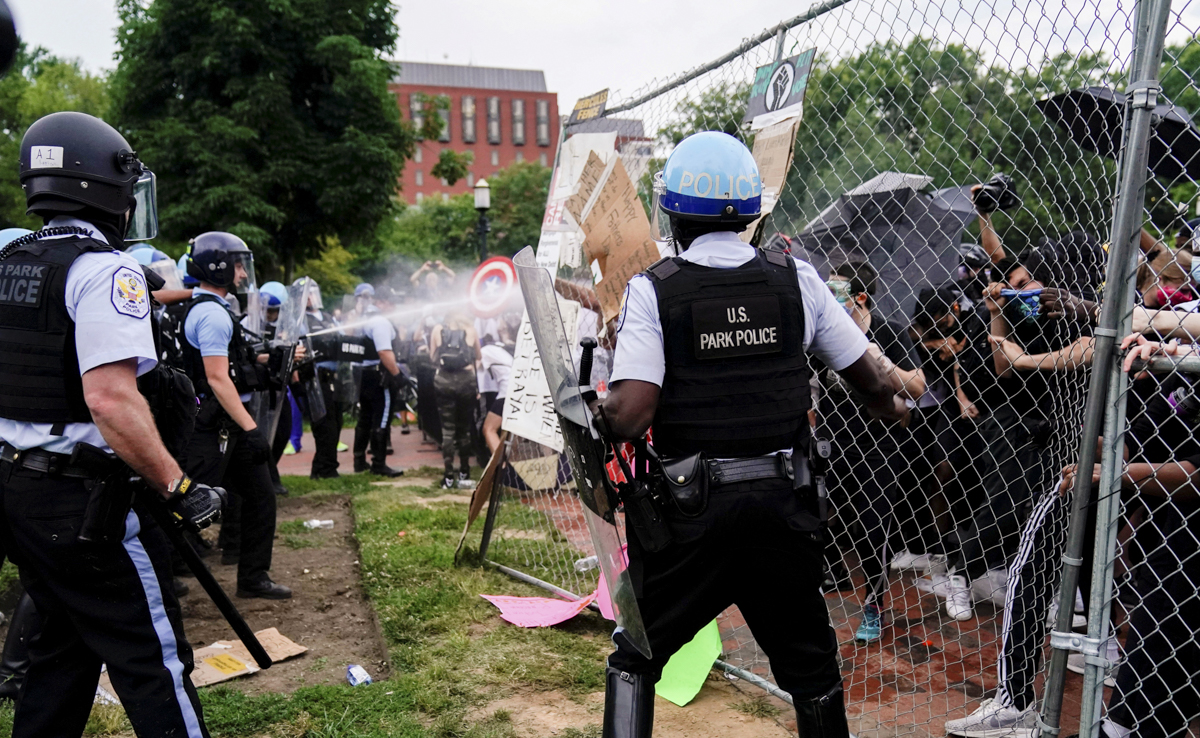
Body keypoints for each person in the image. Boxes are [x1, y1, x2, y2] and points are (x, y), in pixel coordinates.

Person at [593, 131, 906, 738]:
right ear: (750, 213)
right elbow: (870, 380)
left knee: (636, 657)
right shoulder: (800, 281)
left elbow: (631, 413)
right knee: (812, 670)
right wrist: (899, 403)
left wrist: (595, 414)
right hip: (783, 511)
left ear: (672, 212)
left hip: (690, 518)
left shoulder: (653, 290)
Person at [0, 110, 221, 736]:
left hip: (18, 492)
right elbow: (110, 400)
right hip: (86, 503)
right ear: (104, 186)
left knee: (61, 654)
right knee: (155, 661)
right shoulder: (105, 271)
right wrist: (179, 486)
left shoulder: (12, 259)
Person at [180, 231, 294, 599]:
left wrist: (267, 358)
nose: (244, 274)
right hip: (212, 425)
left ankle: (253, 578)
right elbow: (216, 378)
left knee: (260, 496)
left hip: (224, 423)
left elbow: (231, 364)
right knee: (182, 502)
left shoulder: (214, 309)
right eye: (239, 265)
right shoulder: (212, 314)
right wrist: (252, 429)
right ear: (219, 267)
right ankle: (159, 576)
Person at [820, 260, 925, 643]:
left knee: (871, 527)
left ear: (860, 297)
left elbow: (916, 387)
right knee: (814, 514)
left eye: (836, 291)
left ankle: (874, 603)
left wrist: (871, 352)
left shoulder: (889, 332)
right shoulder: (823, 333)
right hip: (834, 439)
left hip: (877, 443)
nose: (827, 297)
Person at [351, 284, 405, 477]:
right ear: (381, 302)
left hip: (363, 374)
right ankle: (379, 463)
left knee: (364, 417)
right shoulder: (380, 321)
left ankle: (359, 461)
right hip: (378, 375)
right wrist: (398, 375)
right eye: (390, 302)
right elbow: (384, 351)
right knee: (381, 418)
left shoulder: (363, 317)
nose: (393, 306)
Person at [296, 277, 344, 479]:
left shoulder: (328, 317)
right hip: (314, 377)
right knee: (324, 425)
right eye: (306, 294)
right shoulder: (300, 320)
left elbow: (342, 338)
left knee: (337, 422)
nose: (310, 298)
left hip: (335, 377)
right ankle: (324, 469)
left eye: (312, 292)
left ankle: (326, 465)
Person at [431, 311, 480, 488]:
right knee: (465, 429)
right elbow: (478, 359)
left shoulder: (437, 329)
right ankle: (465, 471)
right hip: (466, 382)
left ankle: (448, 476)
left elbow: (433, 357)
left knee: (448, 430)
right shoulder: (471, 330)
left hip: (443, 382)